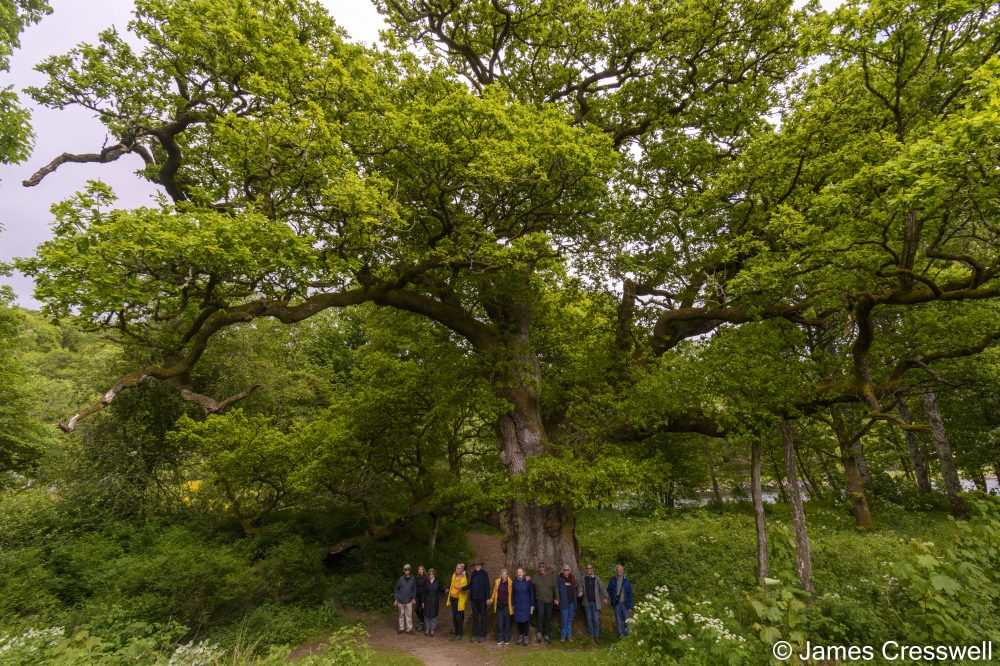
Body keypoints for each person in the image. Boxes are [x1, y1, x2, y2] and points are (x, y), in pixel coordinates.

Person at [581, 563, 610, 643]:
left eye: (590, 568)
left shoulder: (597, 579)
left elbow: (603, 588)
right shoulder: (583, 578)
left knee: (596, 619)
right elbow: (580, 586)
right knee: (589, 619)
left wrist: (606, 597)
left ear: (592, 569)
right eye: (588, 568)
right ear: (586, 570)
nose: (589, 569)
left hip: (595, 603)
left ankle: (597, 637)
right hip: (587, 603)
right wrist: (580, 591)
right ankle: (591, 636)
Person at [532, 561, 558, 644]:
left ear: (545, 568)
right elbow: (531, 586)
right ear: (538, 569)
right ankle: (539, 632)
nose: (541, 569)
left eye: (543, 567)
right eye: (540, 567)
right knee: (540, 613)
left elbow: (555, 588)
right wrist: (527, 577)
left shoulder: (551, 576)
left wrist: (557, 598)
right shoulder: (535, 576)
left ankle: (547, 634)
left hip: (549, 600)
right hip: (540, 599)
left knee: (548, 616)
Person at [607, 564, 635, 639]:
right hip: (616, 604)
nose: (619, 571)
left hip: (625, 604)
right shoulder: (612, 580)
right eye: (618, 570)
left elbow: (630, 594)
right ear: (616, 571)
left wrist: (631, 606)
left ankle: (628, 637)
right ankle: (621, 637)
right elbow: (609, 590)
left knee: (626, 621)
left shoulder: (626, 581)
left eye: (620, 570)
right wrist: (606, 597)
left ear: (622, 571)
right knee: (619, 622)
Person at [468, 560, 491, 643]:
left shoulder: (484, 574)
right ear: (474, 566)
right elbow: (470, 584)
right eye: (475, 565)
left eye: (478, 565)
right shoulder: (473, 574)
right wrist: (462, 588)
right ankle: (475, 635)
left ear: (481, 565)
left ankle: (483, 635)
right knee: (475, 617)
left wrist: (488, 597)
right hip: (474, 599)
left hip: (482, 599)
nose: (477, 566)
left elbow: (487, 586)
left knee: (483, 617)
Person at [556, 563, 580, 641]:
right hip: (564, 602)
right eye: (565, 570)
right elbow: (556, 590)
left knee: (570, 619)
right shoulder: (559, 579)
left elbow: (575, 589)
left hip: (572, 602)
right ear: (562, 571)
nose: (566, 571)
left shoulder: (572, 579)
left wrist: (579, 593)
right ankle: (563, 635)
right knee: (564, 619)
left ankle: (569, 635)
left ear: (569, 571)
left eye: (567, 570)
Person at [512, 567, 535, 645]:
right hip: (518, 604)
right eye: (518, 572)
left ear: (523, 573)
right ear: (517, 574)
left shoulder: (527, 581)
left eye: (521, 572)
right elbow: (513, 594)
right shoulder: (514, 582)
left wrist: (532, 604)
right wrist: (513, 604)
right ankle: (520, 636)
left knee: (526, 621)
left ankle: (526, 637)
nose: (519, 573)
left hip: (526, 603)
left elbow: (531, 593)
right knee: (519, 621)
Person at [489, 568, 513, 645]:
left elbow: (512, 594)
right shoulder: (497, 582)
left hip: (506, 605)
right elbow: (494, 593)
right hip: (499, 605)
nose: (503, 575)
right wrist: (491, 600)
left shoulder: (510, 583)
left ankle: (507, 638)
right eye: (502, 574)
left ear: (507, 575)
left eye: (505, 574)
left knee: (507, 622)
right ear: (500, 574)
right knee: (499, 622)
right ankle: (500, 638)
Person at [446, 562, 469, 640]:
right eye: (457, 568)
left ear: (462, 569)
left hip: (459, 600)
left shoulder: (464, 578)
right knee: (454, 617)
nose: (458, 569)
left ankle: (459, 633)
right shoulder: (454, 576)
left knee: (459, 617)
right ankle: (456, 632)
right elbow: (451, 585)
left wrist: (460, 588)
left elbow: (464, 589)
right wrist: (449, 589)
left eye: (459, 568)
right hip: (453, 599)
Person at [393, 563, 417, 634]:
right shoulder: (400, 579)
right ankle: (401, 628)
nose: (407, 570)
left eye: (408, 569)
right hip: (400, 600)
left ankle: (409, 629)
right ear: (403, 570)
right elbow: (396, 589)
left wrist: (413, 598)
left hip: (409, 600)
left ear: (410, 570)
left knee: (409, 615)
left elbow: (414, 589)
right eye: (405, 569)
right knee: (401, 615)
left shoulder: (413, 578)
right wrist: (396, 599)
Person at [422, 568, 443, 637]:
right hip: (427, 600)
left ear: (434, 574)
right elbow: (424, 592)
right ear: (428, 574)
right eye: (430, 574)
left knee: (433, 615)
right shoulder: (426, 582)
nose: (431, 575)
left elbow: (441, 590)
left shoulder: (437, 582)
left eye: (432, 573)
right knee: (427, 615)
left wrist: (446, 590)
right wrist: (423, 602)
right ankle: (427, 629)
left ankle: (432, 630)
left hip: (434, 601)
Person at [415, 565, 429, 632]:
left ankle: (422, 623)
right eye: (419, 569)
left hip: (424, 596)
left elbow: (426, 588)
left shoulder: (426, 578)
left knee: (423, 610)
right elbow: (415, 587)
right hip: (418, 596)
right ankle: (422, 621)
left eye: (421, 569)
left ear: (423, 570)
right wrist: (414, 597)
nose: (420, 570)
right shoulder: (417, 577)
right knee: (416, 609)